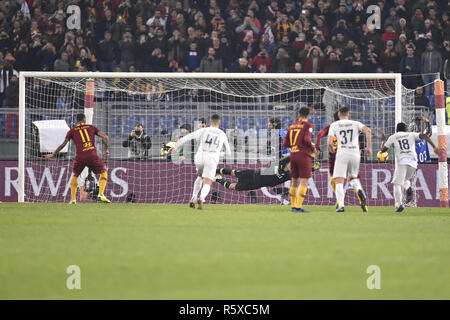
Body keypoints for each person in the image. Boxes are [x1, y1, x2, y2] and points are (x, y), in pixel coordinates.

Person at [168, 114, 231, 209]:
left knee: (200, 177)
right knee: (208, 181)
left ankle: (193, 198)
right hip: (211, 158)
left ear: (210, 123)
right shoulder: (222, 134)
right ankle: (201, 198)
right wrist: (218, 154)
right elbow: (228, 153)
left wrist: (175, 147)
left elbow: (187, 137)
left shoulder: (204, 130)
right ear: (219, 123)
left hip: (200, 157)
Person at [44, 113, 110, 204]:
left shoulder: (72, 131)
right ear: (85, 120)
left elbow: (63, 144)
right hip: (92, 155)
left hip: (80, 157)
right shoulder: (91, 127)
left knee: (75, 175)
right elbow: (105, 137)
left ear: (76, 121)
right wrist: (106, 150)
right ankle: (101, 194)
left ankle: (73, 199)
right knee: (103, 171)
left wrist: (53, 154)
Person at [316, 111, 368, 211]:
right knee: (353, 178)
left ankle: (339, 202)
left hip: (335, 154)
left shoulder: (333, 126)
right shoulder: (353, 125)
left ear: (334, 119)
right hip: (352, 152)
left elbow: (319, 135)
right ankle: (362, 202)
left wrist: (317, 149)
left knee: (335, 179)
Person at [380, 122, 438, 212]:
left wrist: (384, 141)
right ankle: (408, 188)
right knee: (404, 179)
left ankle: (398, 204)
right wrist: (434, 147)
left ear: (396, 129)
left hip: (402, 161)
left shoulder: (393, 136)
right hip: (414, 162)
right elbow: (425, 136)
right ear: (405, 129)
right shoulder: (411, 134)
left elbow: (383, 150)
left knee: (397, 184)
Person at [327, 106, 372, 213]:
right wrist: (369, 147)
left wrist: (331, 148)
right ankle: (360, 191)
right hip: (355, 153)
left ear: (338, 115)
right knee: (353, 177)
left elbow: (329, 142)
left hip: (342, 153)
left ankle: (341, 206)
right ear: (348, 114)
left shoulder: (334, 125)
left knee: (339, 180)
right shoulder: (356, 123)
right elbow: (368, 131)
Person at [215, 155, 320, 191]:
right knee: (233, 172)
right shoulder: (280, 163)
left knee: (234, 187)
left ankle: (217, 179)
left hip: (256, 184)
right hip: (253, 173)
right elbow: (293, 156)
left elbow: (303, 173)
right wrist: (308, 155)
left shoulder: (289, 175)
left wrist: (313, 169)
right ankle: (215, 170)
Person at [282, 107, 316, 213]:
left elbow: (285, 143)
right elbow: (306, 139)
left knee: (294, 181)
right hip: (303, 155)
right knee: (304, 181)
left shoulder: (292, 126)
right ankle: (298, 206)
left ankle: (293, 206)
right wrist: (313, 149)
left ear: (298, 115)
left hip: (293, 155)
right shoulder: (308, 125)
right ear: (308, 116)